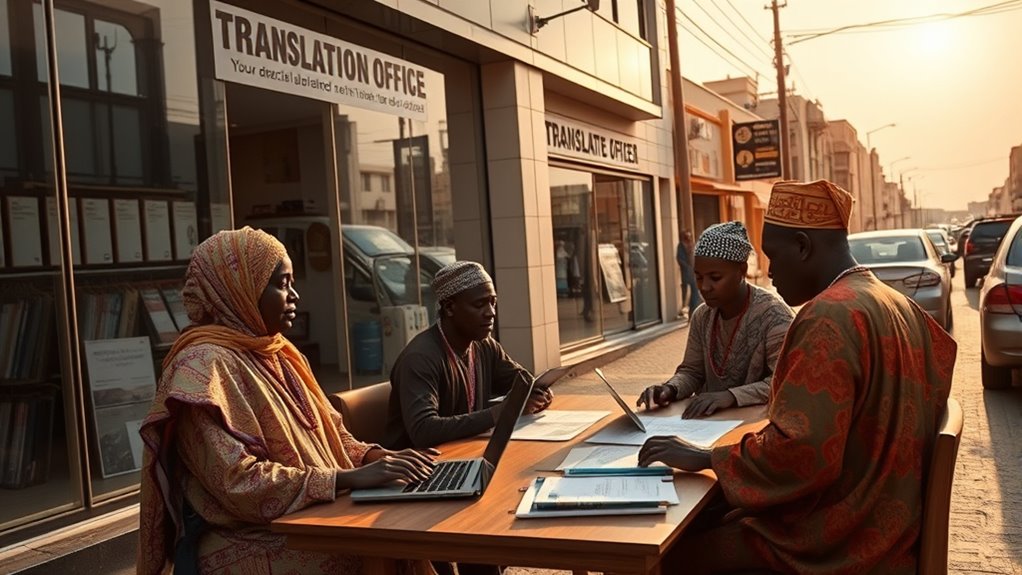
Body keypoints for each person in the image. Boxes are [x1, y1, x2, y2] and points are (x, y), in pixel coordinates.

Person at [638, 180, 957, 574]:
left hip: (837, 540)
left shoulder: (829, 316)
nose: (770, 273)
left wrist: (706, 457)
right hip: (885, 519)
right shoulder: (896, 303)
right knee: (709, 514)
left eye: (773, 256)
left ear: (803, 247)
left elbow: (803, 453)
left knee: (664, 554)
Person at [138, 227, 437, 575]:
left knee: (407, 529)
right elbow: (240, 483)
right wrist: (346, 480)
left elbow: (330, 434)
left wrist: (374, 457)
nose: (294, 296)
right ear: (238, 290)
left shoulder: (277, 352)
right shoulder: (201, 370)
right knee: (380, 546)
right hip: (255, 537)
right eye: (281, 284)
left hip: (310, 516)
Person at [384, 260, 553, 450]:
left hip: (468, 452)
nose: (490, 313)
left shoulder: (485, 345)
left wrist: (538, 392)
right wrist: (501, 412)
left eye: (493, 302)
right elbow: (424, 431)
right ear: (449, 308)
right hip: (420, 469)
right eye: (479, 304)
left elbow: (521, 383)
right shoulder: (419, 358)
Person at [638, 221, 794, 418]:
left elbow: (785, 381)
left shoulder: (773, 315)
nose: (704, 287)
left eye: (715, 277)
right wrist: (670, 389)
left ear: (742, 271)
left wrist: (730, 396)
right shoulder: (702, 315)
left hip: (755, 427)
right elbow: (692, 371)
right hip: (706, 425)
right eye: (699, 277)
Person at [677, 229, 701, 318]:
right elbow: (680, 258)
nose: (688, 237)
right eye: (687, 236)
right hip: (687, 273)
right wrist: (686, 266)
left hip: (693, 273)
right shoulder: (681, 246)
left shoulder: (692, 245)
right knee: (685, 292)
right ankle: (684, 308)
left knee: (695, 293)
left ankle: (693, 311)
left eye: (689, 236)